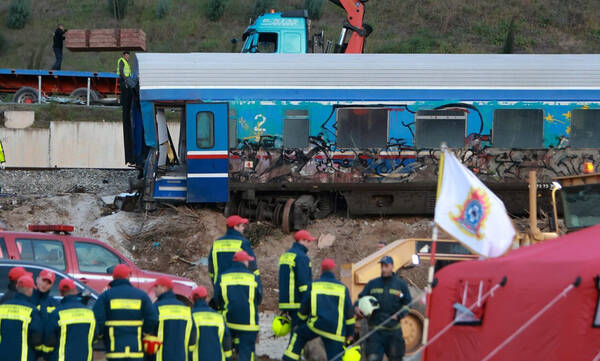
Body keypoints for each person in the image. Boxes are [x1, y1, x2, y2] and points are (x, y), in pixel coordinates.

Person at [283, 258, 355, 361]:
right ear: (334, 270)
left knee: (299, 334)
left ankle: (289, 358)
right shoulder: (342, 288)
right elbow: (349, 314)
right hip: (335, 331)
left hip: (317, 325)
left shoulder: (313, 285)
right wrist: (350, 333)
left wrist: (298, 323)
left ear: (322, 270)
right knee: (336, 356)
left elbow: (304, 309)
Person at [93, 264, 158, 361]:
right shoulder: (141, 295)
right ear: (128, 276)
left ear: (113, 277)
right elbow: (152, 318)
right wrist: (143, 333)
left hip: (114, 351)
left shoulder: (105, 296)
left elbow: (98, 320)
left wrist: (101, 336)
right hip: (136, 350)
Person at [355, 256, 412, 361]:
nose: (383, 269)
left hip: (393, 333)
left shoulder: (400, 285)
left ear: (392, 266)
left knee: (396, 358)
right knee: (372, 358)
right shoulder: (372, 284)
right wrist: (357, 307)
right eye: (382, 266)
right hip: (375, 332)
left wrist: (399, 315)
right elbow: (360, 298)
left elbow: (408, 304)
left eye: (386, 266)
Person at [213, 251, 263, 361]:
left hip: (229, 322)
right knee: (247, 354)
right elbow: (259, 298)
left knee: (226, 352)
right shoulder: (253, 278)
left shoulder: (223, 277)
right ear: (244, 262)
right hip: (248, 324)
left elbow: (217, 299)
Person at [44, 279, 97, 361]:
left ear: (61, 293)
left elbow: (49, 341)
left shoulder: (57, 313)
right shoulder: (89, 313)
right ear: (75, 291)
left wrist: (46, 356)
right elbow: (96, 335)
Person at [278, 230, 316, 332]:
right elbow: (304, 284)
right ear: (302, 241)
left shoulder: (286, 255)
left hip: (286, 302)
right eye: (308, 241)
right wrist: (309, 303)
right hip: (297, 302)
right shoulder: (302, 257)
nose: (310, 245)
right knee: (299, 334)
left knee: (295, 332)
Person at [0, 274, 44, 361]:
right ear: (30, 290)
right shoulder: (32, 311)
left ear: (17, 287)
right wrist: (39, 354)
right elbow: (37, 338)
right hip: (24, 356)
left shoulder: (2, 308)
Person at [209, 215, 260, 288]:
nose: (243, 228)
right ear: (235, 227)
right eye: (242, 226)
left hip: (221, 287)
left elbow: (211, 269)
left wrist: (215, 285)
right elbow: (253, 267)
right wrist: (257, 286)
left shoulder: (216, 243)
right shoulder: (243, 243)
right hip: (239, 287)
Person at [151, 277, 195, 361]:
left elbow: (149, 334)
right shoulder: (185, 309)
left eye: (156, 286)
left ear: (163, 288)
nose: (154, 289)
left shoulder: (156, 307)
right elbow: (192, 337)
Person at [190, 286, 232, 361]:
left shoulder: (190, 316)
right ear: (206, 298)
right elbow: (227, 339)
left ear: (193, 300)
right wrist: (228, 358)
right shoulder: (219, 317)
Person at [31, 269, 60, 358]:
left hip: (48, 352)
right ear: (37, 279)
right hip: (29, 350)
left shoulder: (55, 304)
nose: (45, 284)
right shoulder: (28, 299)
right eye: (43, 280)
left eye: (49, 282)